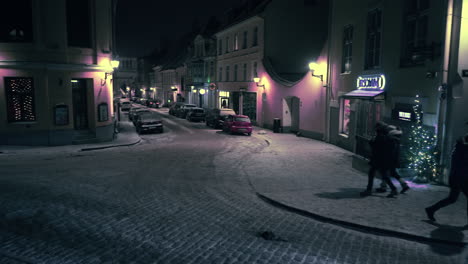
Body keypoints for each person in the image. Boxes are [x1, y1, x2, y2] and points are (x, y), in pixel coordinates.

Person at [425, 133, 468, 222]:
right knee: (452, 199)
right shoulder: (464, 150)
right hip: (460, 178)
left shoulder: (460, 148)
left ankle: (431, 209)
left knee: (452, 199)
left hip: (458, 177)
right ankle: (431, 209)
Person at [360, 122, 399, 198]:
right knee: (383, 175)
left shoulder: (380, 136)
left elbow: (376, 147)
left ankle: (369, 190)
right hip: (383, 159)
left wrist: (371, 142)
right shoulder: (387, 136)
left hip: (378, 159)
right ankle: (393, 189)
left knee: (372, 173)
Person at [375, 126, 410, 194]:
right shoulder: (396, 140)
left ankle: (387, 187)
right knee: (393, 173)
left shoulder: (391, 140)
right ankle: (403, 185)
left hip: (389, 160)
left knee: (384, 173)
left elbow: (388, 151)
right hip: (394, 160)